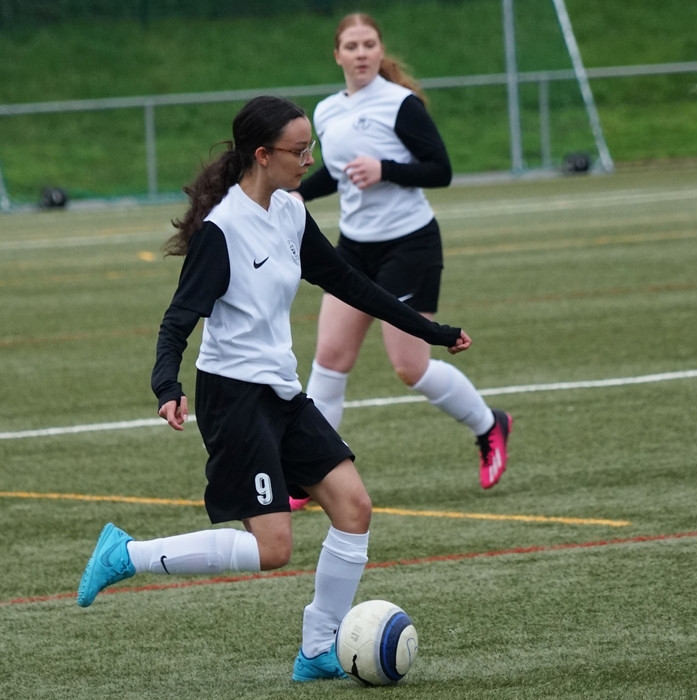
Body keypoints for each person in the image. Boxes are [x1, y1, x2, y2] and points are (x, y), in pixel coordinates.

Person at [76, 95, 472, 683]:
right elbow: (177, 319)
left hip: (282, 392)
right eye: (299, 150)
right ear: (262, 155)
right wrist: (166, 385)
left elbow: (349, 282)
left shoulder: (288, 210)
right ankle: (126, 555)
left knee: (354, 509)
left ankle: (317, 649)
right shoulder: (222, 231)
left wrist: (430, 330)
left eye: (311, 148)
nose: (310, 160)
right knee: (273, 549)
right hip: (233, 399)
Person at [287, 12, 511, 511]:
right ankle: (308, 475)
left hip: (409, 246)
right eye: (351, 46)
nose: (361, 53)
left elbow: (441, 170)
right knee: (329, 360)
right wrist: (295, 192)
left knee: (410, 367)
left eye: (369, 44)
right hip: (354, 248)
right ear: (337, 55)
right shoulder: (326, 111)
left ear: (380, 50)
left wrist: (385, 169)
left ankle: (490, 424)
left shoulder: (400, 104)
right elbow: (338, 174)